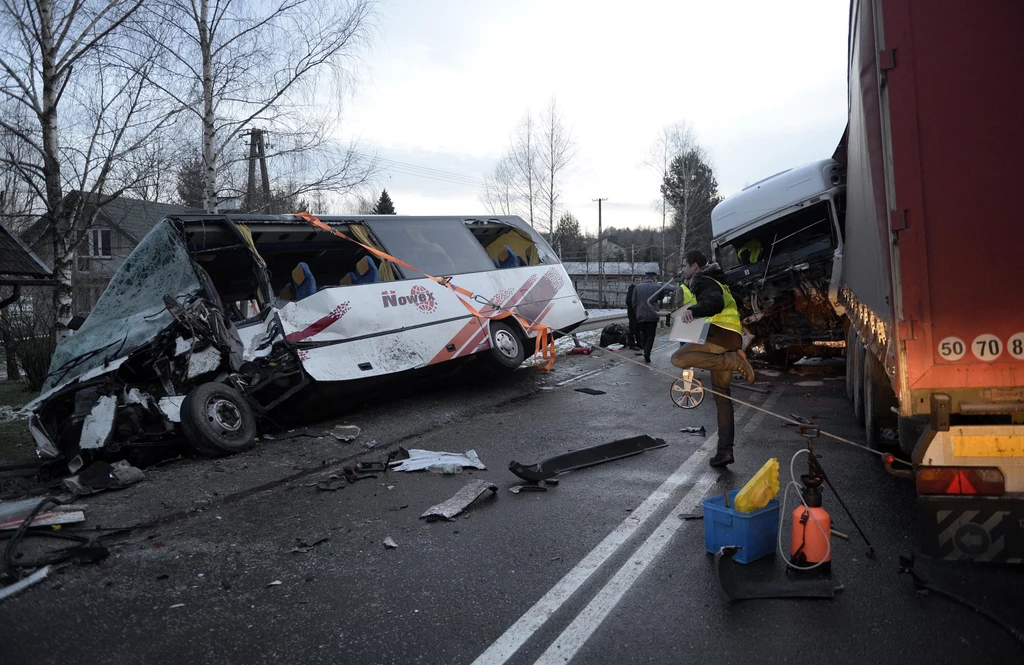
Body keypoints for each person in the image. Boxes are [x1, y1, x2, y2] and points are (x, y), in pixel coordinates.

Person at [671, 250, 756, 467]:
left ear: (695, 267)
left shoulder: (704, 280)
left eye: (684, 266)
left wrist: (695, 311)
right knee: (722, 396)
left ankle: (734, 361)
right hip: (730, 338)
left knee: (679, 359)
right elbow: (734, 302)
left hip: (721, 336)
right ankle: (725, 452)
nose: (683, 270)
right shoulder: (720, 280)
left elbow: (714, 303)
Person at [631, 271, 662, 363]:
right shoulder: (657, 287)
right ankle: (647, 352)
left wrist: (637, 312)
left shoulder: (637, 287)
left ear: (645, 277)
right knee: (651, 335)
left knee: (643, 333)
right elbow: (660, 298)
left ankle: (645, 348)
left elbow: (634, 302)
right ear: (654, 278)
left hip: (641, 314)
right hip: (653, 314)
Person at [625, 276, 641, 349]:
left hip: (639, 313)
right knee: (632, 329)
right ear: (633, 281)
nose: (638, 282)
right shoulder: (631, 289)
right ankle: (631, 344)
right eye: (637, 280)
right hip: (632, 313)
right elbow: (628, 301)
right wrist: (635, 307)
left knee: (638, 329)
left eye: (639, 280)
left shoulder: (640, 289)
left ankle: (639, 343)